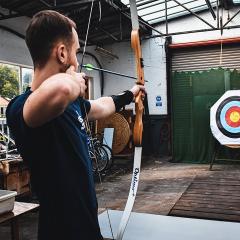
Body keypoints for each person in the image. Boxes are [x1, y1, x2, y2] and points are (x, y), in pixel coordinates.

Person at [6, 10, 144, 240]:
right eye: (76, 52)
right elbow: (60, 90)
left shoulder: (72, 104)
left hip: (87, 227)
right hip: (61, 232)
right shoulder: (21, 108)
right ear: (61, 52)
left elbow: (102, 105)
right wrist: (73, 81)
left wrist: (131, 94)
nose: (75, 61)